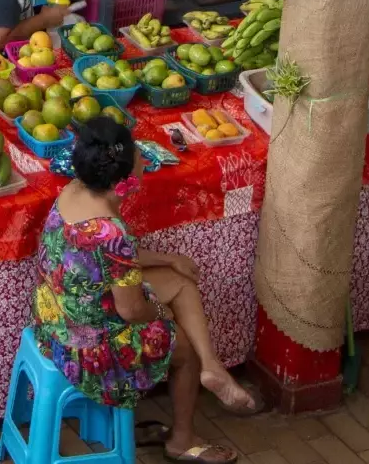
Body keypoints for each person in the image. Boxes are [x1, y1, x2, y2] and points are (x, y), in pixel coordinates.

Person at [32, 118, 261, 464]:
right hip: (86, 348)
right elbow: (132, 310)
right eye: (138, 153)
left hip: (57, 317)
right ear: (124, 178)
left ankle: (213, 366)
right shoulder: (112, 232)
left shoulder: (73, 192)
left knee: (182, 282)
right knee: (184, 343)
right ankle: (183, 438)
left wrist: (169, 260)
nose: (143, 158)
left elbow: (109, 258)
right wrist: (162, 312)